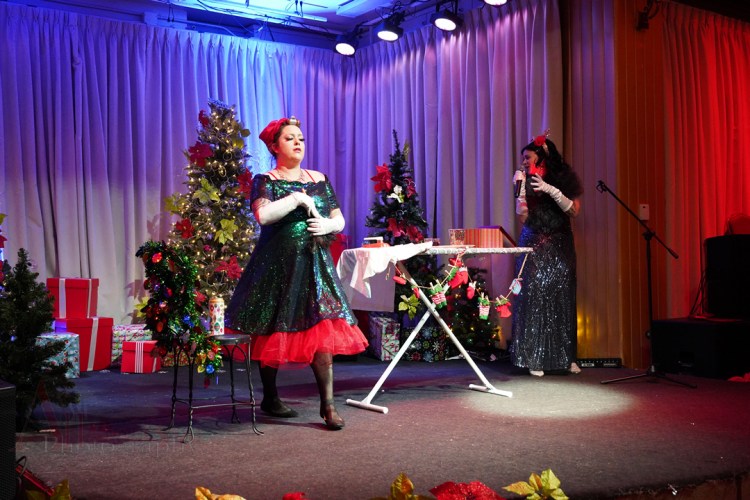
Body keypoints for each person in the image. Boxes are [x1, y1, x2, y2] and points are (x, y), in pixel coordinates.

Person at [226, 116, 368, 430]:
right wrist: (296, 199)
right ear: (275, 146)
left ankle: (328, 406)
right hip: (277, 266)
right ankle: (271, 397)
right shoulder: (266, 179)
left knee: (322, 327)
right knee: (272, 327)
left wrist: (329, 224)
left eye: (300, 138)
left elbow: (338, 217)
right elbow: (264, 216)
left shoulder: (318, 178)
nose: (298, 143)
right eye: (290, 138)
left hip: (314, 265)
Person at [511, 132, 582, 377]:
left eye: (528, 157)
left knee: (562, 295)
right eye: (523, 158)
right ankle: (534, 358)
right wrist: (520, 193)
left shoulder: (562, 177)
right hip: (535, 240)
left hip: (560, 241)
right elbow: (523, 217)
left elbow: (573, 211)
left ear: (541, 157)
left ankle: (566, 358)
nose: (524, 161)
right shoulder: (524, 179)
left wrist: (551, 189)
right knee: (534, 296)